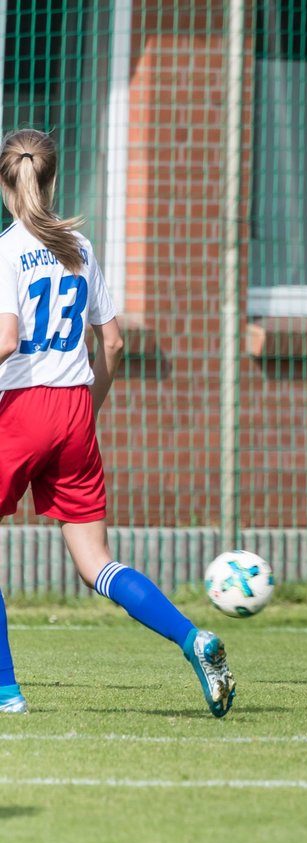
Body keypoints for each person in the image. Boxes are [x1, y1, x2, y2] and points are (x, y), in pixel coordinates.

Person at [0, 128, 234, 717]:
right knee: (96, 562)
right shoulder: (79, 246)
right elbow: (115, 342)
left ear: (6, 185)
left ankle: (7, 692)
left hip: (19, 410)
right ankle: (193, 639)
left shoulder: (6, 251)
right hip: (75, 407)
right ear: (52, 180)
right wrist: (87, 407)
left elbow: (6, 342)